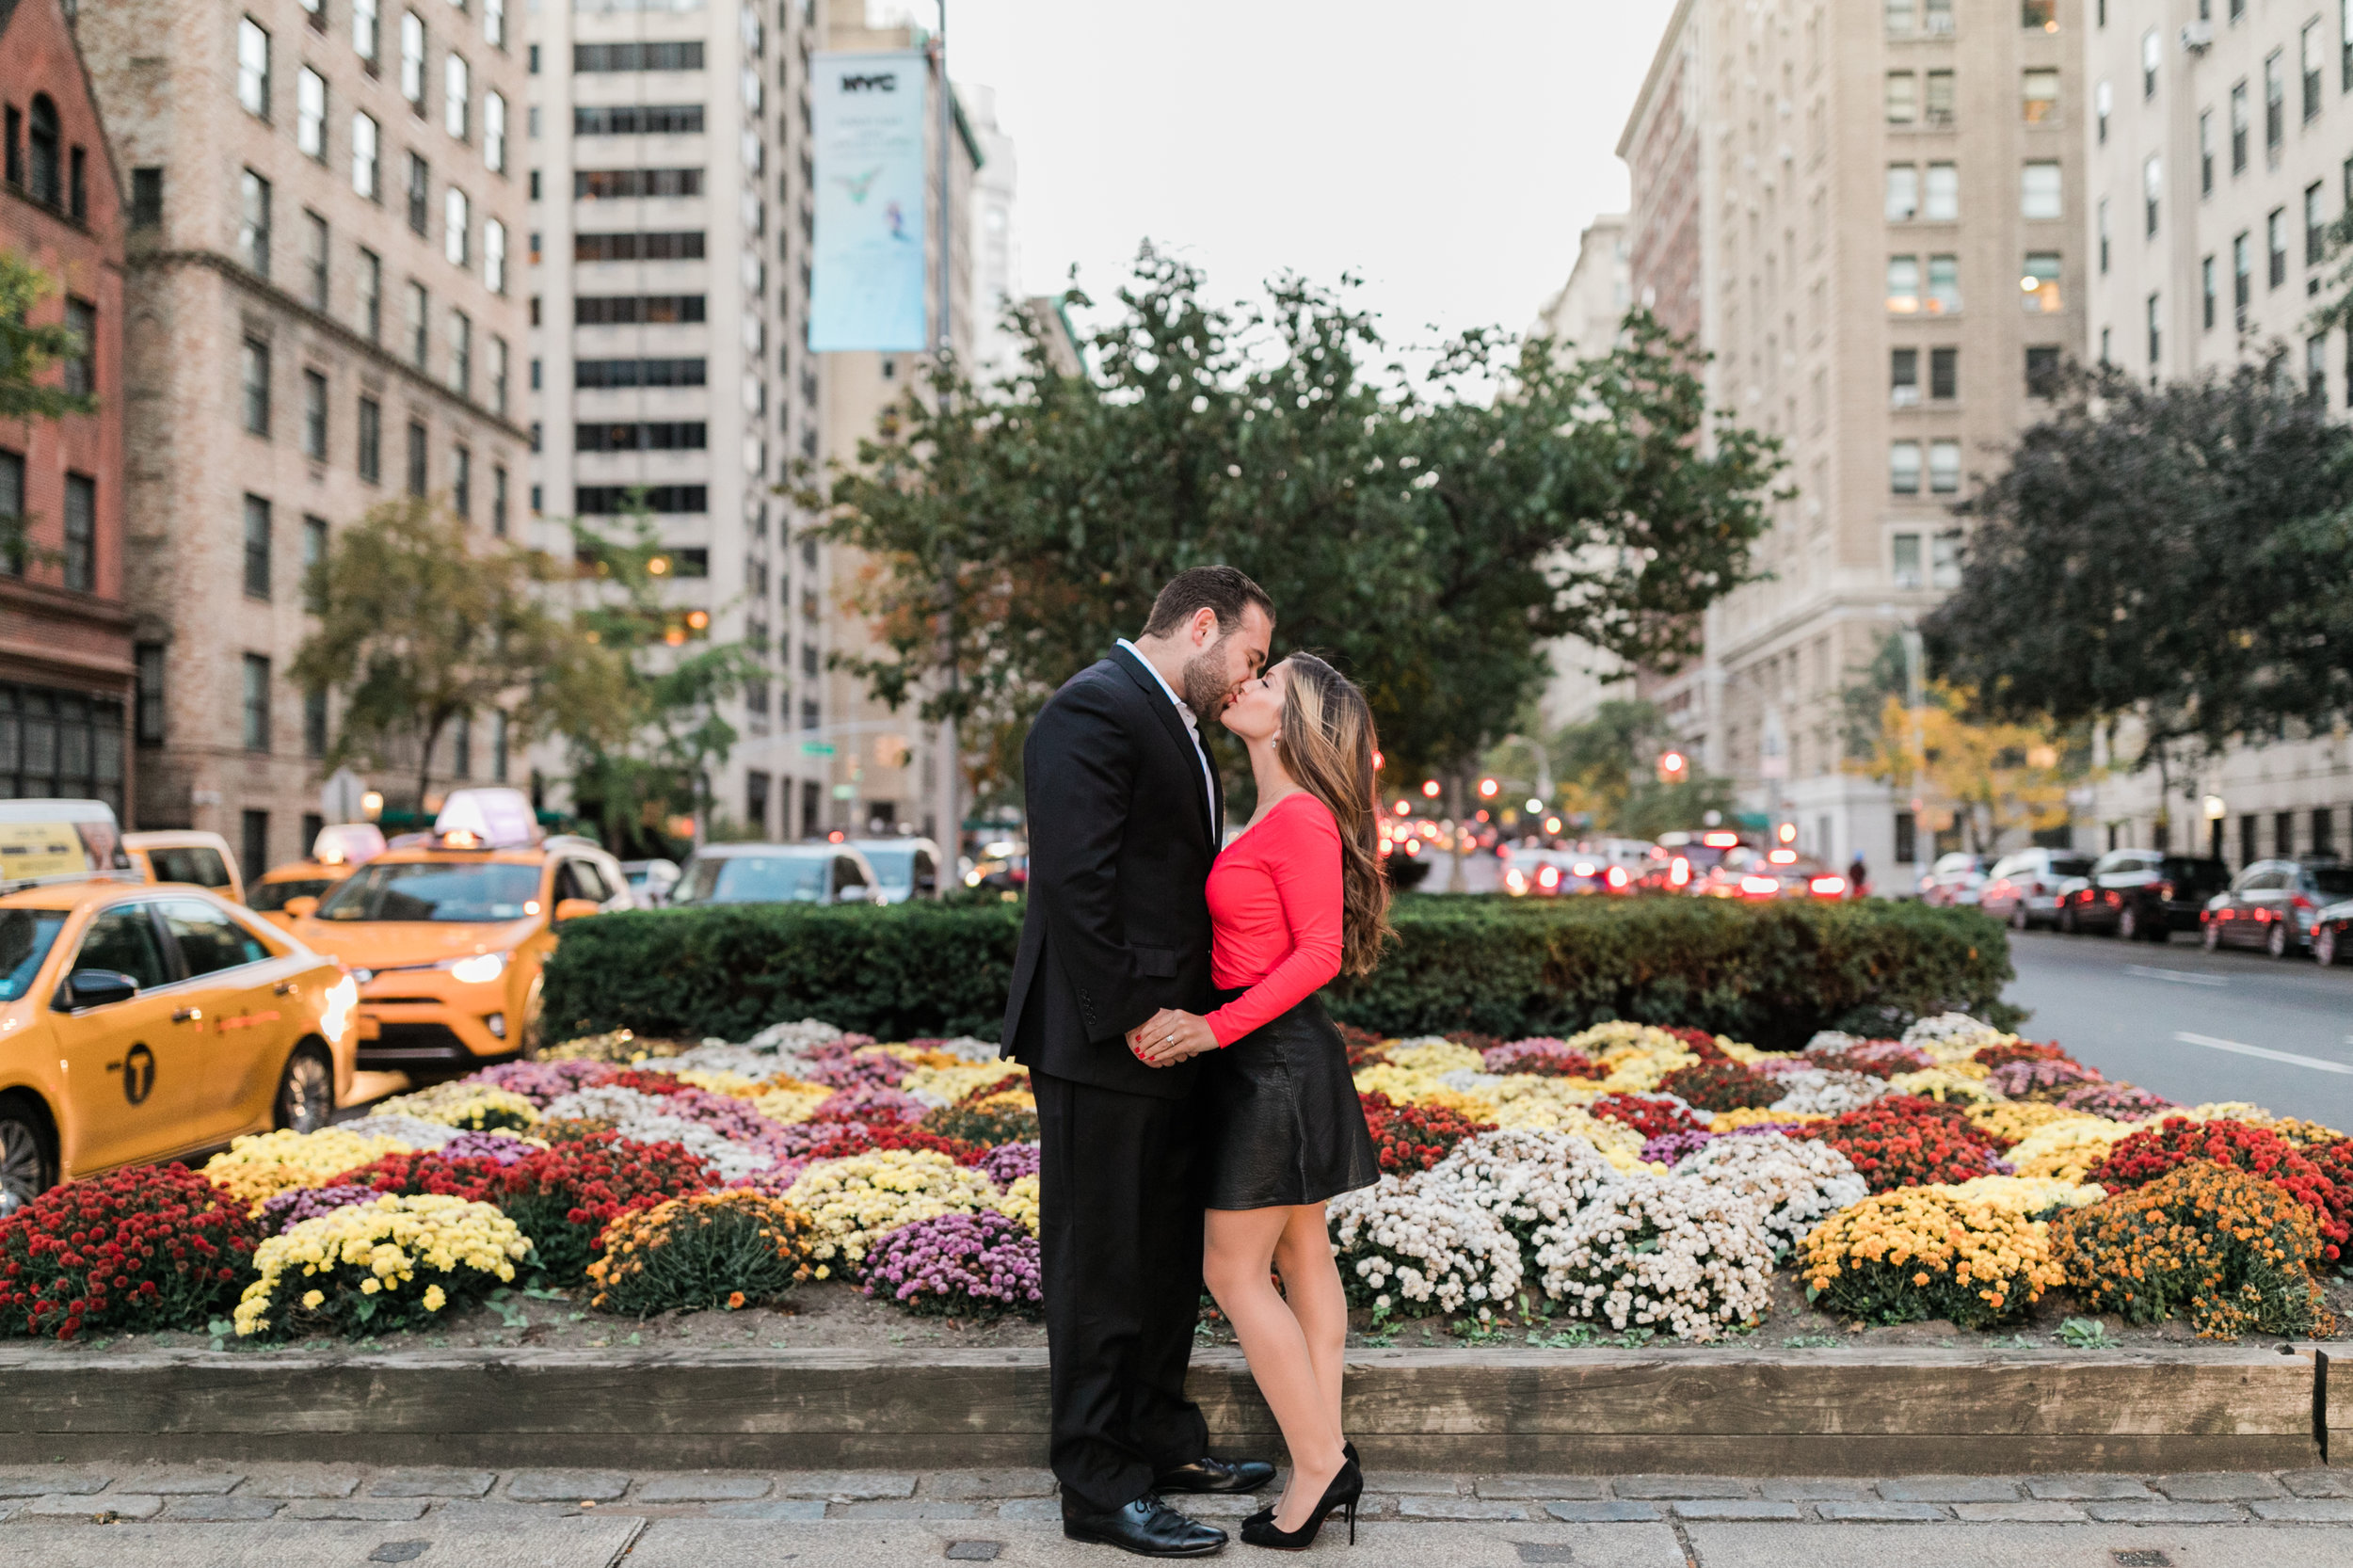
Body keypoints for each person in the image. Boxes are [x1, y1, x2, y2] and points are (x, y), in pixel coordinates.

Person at [1002, 567, 1278, 1558]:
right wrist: (1136, 1018)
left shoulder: (1167, 717)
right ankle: (1096, 1484)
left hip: (1168, 1036)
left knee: (1159, 1261)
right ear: (1201, 625)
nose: (1246, 675)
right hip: (1104, 1040)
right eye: (1246, 654)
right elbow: (1076, 890)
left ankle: (1159, 1442)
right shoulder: (1092, 708)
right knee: (1100, 1267)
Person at [1129, 651, 1393, 1552]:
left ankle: (1320, 1465)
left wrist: (1211, 1029)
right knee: (1301, 1253)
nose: (1245, 684)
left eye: (1267, 681)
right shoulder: (1274, 811)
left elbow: (1319, 954)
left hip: (1270, 1063)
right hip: (1277, 1060)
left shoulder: (1301, 817)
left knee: (1232, 1272)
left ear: (1292, 722)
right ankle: (1322, 1450)